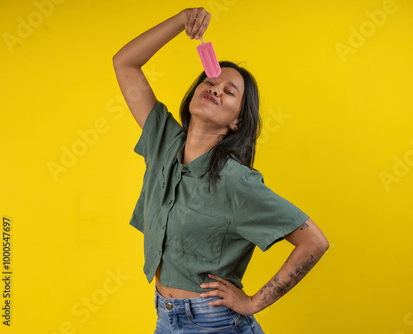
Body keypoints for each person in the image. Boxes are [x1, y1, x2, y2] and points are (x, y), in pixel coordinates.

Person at [113, 7, 329, 334]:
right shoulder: (163, 140)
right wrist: (180, 21)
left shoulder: (236, 181)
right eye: (211, 81)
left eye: (229, 91)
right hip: (165, 319)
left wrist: (254, 301)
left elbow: (314, 241)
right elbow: (124, 63)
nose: (215, 88)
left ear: (236, 122)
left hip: (213, 324)